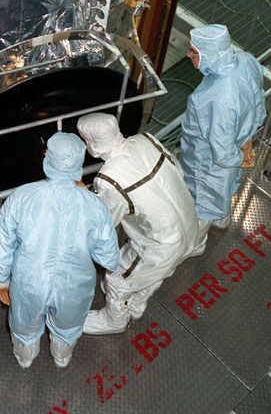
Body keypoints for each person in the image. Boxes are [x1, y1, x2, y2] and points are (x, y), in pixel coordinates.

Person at [0, 132, 120, 370]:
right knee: (68, 326)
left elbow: (3, 245)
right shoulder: (95, 205)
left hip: (29, 282)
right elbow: (109, 258)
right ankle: (62, 357)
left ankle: (25, 358)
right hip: (75, 285)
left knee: (24, 326)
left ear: (48, 160)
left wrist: (2, 281)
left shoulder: (22, 196)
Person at [76, 112, 199, 334]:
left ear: (92, 143)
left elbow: (104, 223)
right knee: (155, 271)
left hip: (160, 245)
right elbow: (177, 171)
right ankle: (136, 303)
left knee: (117, 279)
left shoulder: (110, 178)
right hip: (190, 226)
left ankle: (114, 321)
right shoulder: (146, 140)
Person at [180, 24, 266, 253]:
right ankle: (222, 218)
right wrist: (243, 152)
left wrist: (233, 158)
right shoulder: (246, 60)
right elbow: (259, 104)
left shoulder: (218, 96)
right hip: (244, 140)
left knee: (204, 201)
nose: (188, 55)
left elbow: (221, 151)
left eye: (193, 51)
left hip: (209, 160)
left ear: (209, 54)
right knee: (228, 185)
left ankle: (195, 245)